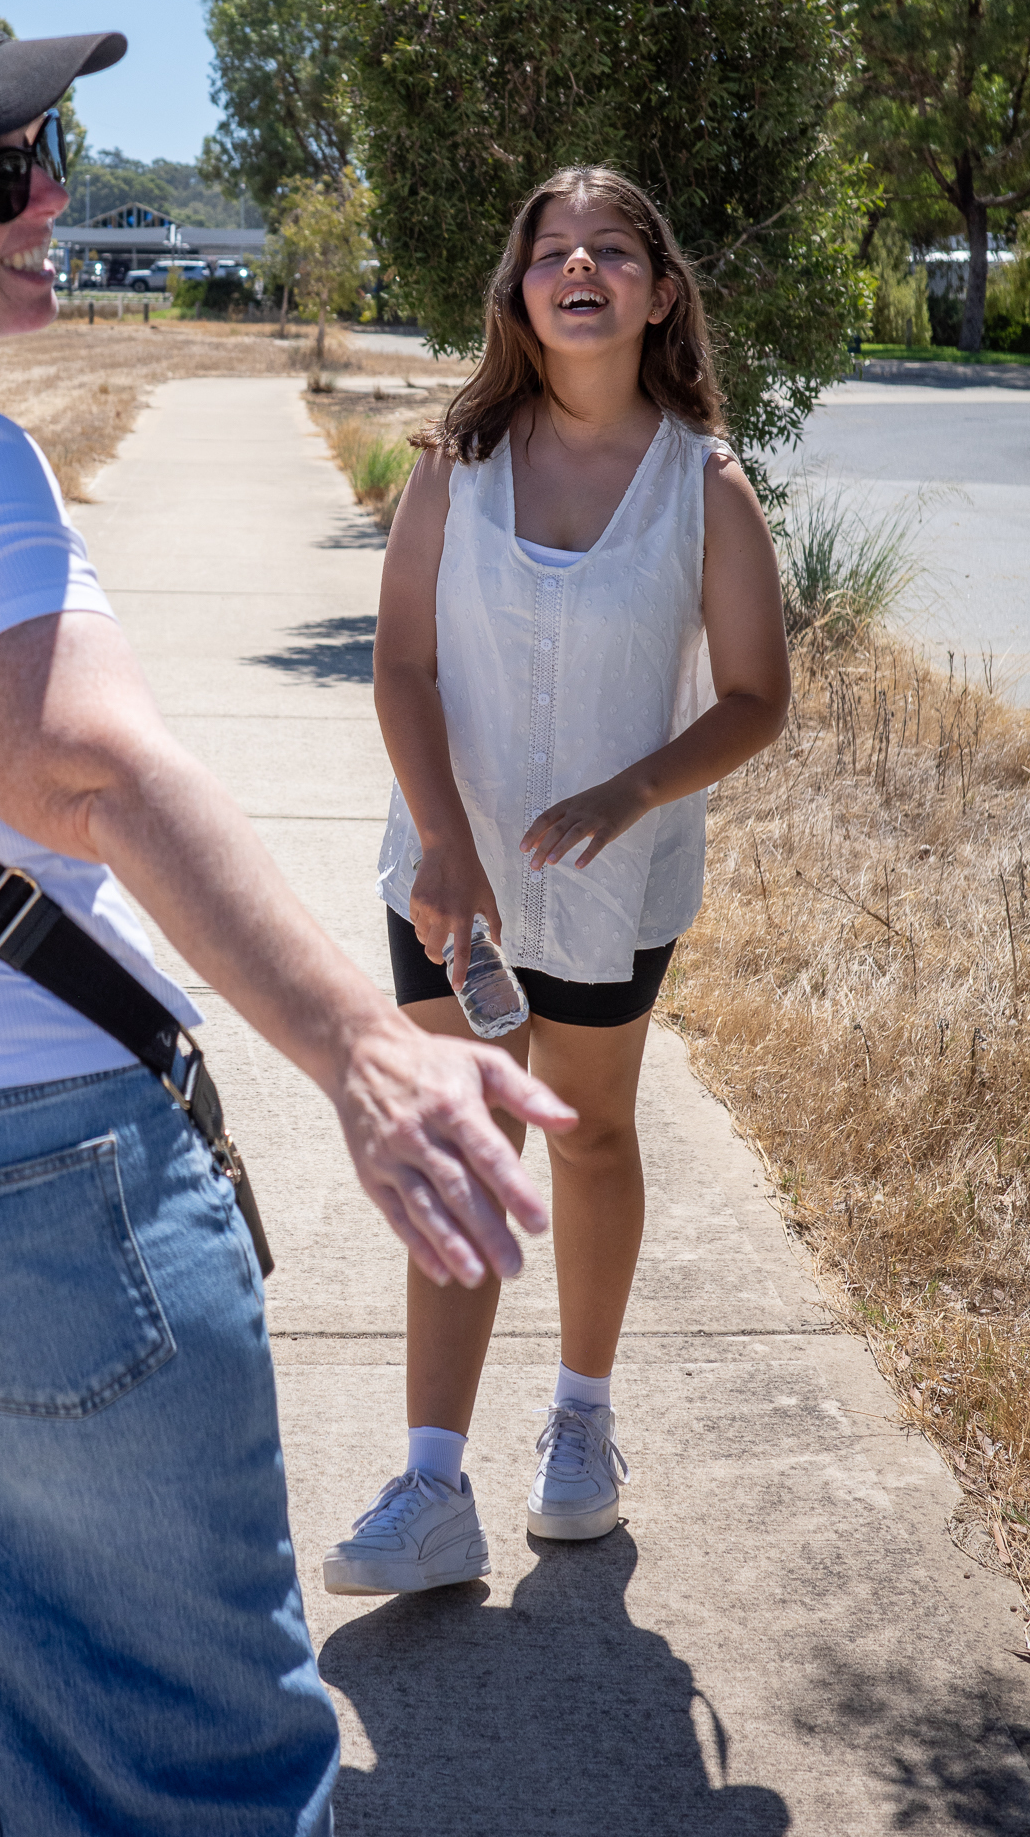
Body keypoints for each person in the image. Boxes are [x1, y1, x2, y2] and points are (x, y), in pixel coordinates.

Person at [0, 0, 578, 1836]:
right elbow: (62, 761)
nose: (51, 201)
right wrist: (365, 1058)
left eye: (49, 157)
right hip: (23, 1218)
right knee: (202, 1793)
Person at [324, 167, 790, 1596]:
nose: (578, 266)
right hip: (449, 881)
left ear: (659, 291)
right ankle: (430, 1484)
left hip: (609, 882)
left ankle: (581, 1425)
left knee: (588, 1137)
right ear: (518, 290)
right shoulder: (451, 462)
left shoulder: (704, 485)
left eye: (614, 249)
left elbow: (760, 696)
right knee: (463, 1154)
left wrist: (628, 791)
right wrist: (447, 837)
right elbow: (400, 664)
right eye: (550, 249)